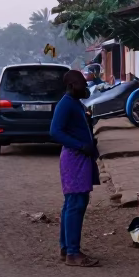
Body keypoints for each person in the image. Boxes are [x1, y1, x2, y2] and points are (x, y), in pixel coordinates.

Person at [49, 69, 100, 267]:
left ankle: (66, 249)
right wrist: (80, 145)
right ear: (71, 86)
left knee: (72, 204)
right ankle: (72, 253)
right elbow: (55, 131)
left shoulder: (74, 103)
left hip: (80, 158)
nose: (86, 86)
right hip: (74, 159)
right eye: (82, 84)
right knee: (76, 204)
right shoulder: (65, 104)